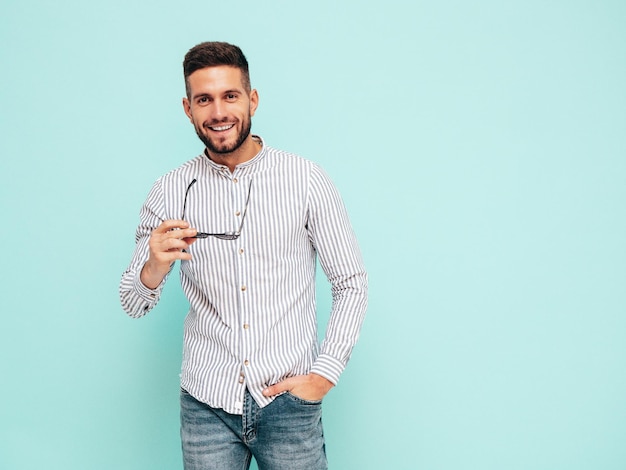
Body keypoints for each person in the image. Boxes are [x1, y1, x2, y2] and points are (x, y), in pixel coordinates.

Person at [119, 41, 367, 470]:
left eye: (230, 95)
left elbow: (351, 283)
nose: (218, 112)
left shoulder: (306, 179)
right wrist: (154, 266)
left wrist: (323, 374)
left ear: (252, 99)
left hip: (289, 405)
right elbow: (132, 303)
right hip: (206, 406)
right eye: (204, 99)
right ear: (188, 108)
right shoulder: (169, 191)